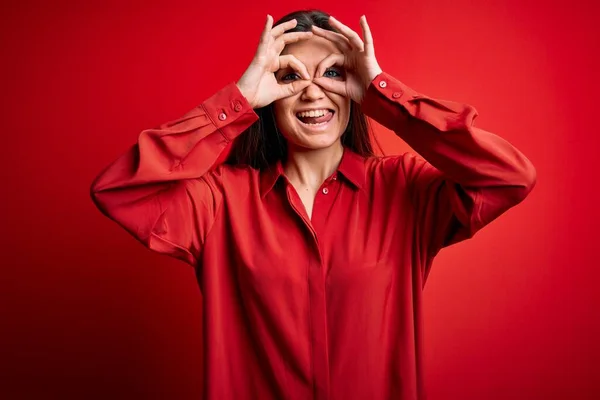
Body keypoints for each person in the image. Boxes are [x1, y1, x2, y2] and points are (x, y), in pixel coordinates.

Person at [90, 9, 536, 400]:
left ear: (354, 89)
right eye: (290, 77)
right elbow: (120, 191)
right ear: (269, 97)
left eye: (333, 73)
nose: (312, 92)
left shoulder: (404, 188)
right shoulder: (219, 201)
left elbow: (509, 177)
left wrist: (386, 95)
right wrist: (236, 102)